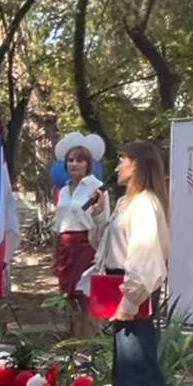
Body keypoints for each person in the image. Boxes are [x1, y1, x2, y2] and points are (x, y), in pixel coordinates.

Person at [94, 141, 175, 386]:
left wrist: (129, 302)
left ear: (138, 165)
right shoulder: (126, 202)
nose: (117, 166)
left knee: (139, 369)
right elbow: (107, 246)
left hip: (134, 290)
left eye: (123, 160)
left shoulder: (145, 203)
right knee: (124, 372)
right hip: (119, 285)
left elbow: (145, 257)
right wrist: (98, 213)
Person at [53, 133, 109, 339]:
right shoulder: (63, 191)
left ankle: (89, 342)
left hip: (86, 246)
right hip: (65, 247)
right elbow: (57, 225)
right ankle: (72, 342)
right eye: (70, 160)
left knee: (86, 295)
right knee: (67, 297)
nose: (74, 164)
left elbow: (103, 222)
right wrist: (54, 255)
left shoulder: (97, 188)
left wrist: (100, 254)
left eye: (79, 160)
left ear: (88, 164)